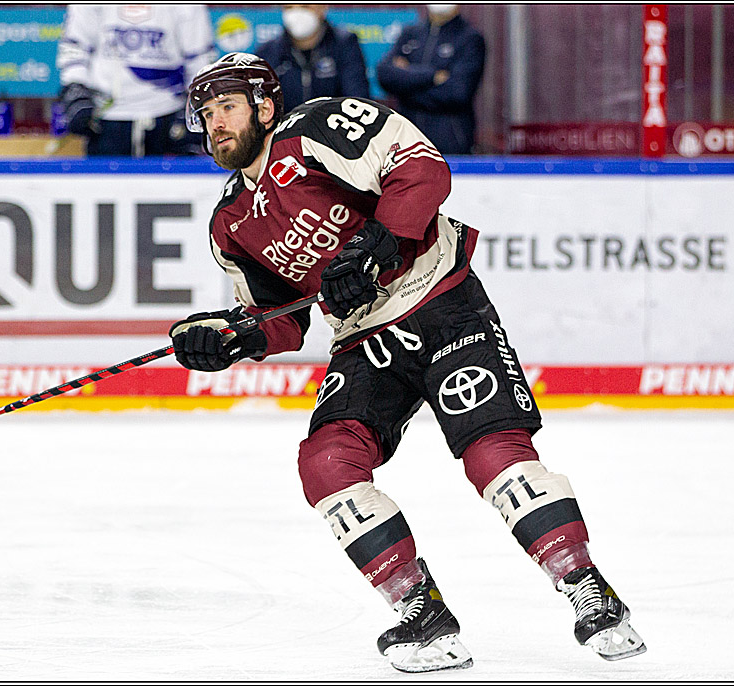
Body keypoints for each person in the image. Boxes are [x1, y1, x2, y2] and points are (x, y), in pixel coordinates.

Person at [169, 52, 646, 673]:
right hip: (364, 340)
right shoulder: (230, 222)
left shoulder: (318, 125)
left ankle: (589, 593)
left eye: (226, 108)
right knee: (326, 461)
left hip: (440, 299)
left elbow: (421, 169)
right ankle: (420, 611)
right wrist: (231, 339)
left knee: (493, 454)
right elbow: (281, 318)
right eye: (206, 115)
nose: (215, 126)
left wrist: (382, 240)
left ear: (264, 106)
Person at [56, 5, 216, 157]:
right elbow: (75, 48)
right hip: (106, 117)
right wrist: (77, 91)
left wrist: (194, 106)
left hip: (167, 115)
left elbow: (200, 58)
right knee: (106, 185)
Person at [376, 4, 484, 155]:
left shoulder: (470, 38)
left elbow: (457, 93)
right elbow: (385, 75)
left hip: (450, 145)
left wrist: (405, 85)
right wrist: (432, 76)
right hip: (406, 143)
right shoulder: (410, 34)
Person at [255, 4, 369, 114]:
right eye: (289, 7)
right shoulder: (268, 52)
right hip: (284, 130)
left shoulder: (345, 44)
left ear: (323, 7)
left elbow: (357, 100)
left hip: (333, 128)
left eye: (305, 6)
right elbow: (261, 107)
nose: (296, 13)